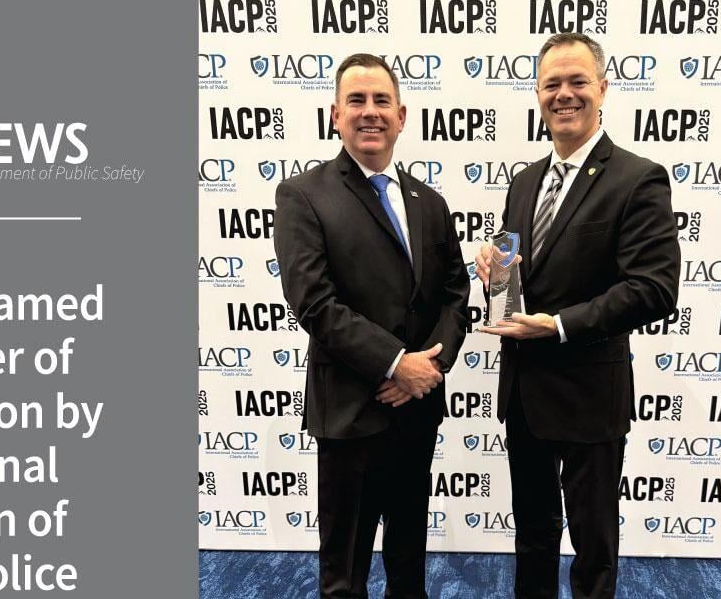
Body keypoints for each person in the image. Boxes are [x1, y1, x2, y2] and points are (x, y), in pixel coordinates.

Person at [474, 33, 681, 599]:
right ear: (538, 95)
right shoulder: (523, 182)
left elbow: (655, 289)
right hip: (524, 394)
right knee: (532, 539)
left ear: (602, 89)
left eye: (577, 81)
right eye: (552, 84)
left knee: (594, 546)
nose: (564, 94)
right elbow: (520, 279)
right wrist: (493, 271)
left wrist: (559, 325)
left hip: (590, 395)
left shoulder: (638, 178)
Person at [274, 53, 471, 599]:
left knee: (408, 567)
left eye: (382, 101)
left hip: (416, 411)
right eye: (356, 100)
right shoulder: (303, 195)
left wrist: (428, 367)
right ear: (335, 115)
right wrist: (395, 363)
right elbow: (314, 303)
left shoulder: (430, 203)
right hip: (350, 415)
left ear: (401, 116)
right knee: (345, 575)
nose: (370, 112)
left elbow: (455, 294)